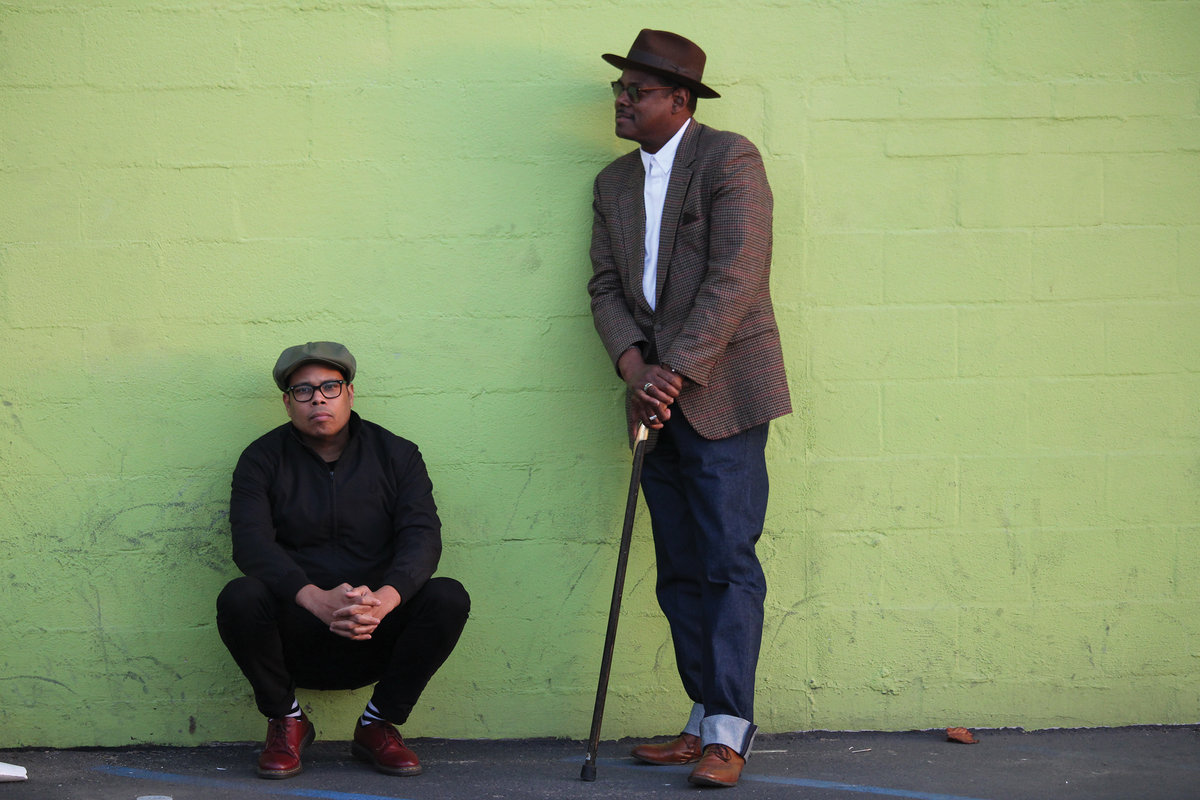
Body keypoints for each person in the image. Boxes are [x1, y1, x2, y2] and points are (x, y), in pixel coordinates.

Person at [587, 30, 792, 788]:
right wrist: (635, 369)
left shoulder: (728, 160)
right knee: (677, 568)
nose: (621, 101)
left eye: (635, 92)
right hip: (654, 400)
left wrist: (672, 372)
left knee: (727, 562)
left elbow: (738, 276)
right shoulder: (612, 184)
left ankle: (731, 733)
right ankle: (704, 718)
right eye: (619, 90)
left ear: (680, 100)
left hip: (723, 395)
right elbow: (604, 287)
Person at [216, 341, 470, 780]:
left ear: (349, 393)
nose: (317, 398)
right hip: (295, 631)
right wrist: (315, 599)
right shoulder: (261, 459)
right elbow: (251, 544)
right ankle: (287, 720)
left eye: (329, 387)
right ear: (287, 402)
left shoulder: (398, 455)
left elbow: (423, 537)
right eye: (303, 390)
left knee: (448, 597)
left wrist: (384, 600)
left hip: (376, 627)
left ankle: (377, 724)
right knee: (240, 597)